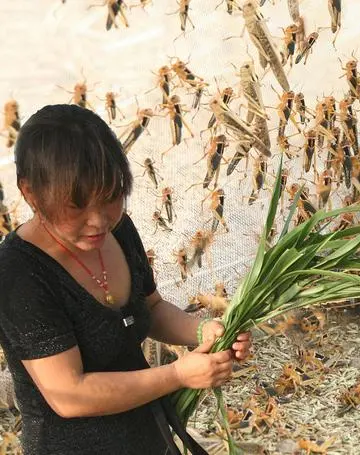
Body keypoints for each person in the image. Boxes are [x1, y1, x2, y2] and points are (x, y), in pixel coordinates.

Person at [0, 104, 251, 455]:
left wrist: (203, 330)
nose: (98, 220)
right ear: (29, 193)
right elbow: (69, 394)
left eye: (110, 197)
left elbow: (152, 308)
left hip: (148, 435)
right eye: (76, 206)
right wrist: (178, 375)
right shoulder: (18, 273)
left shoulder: (118, 230)